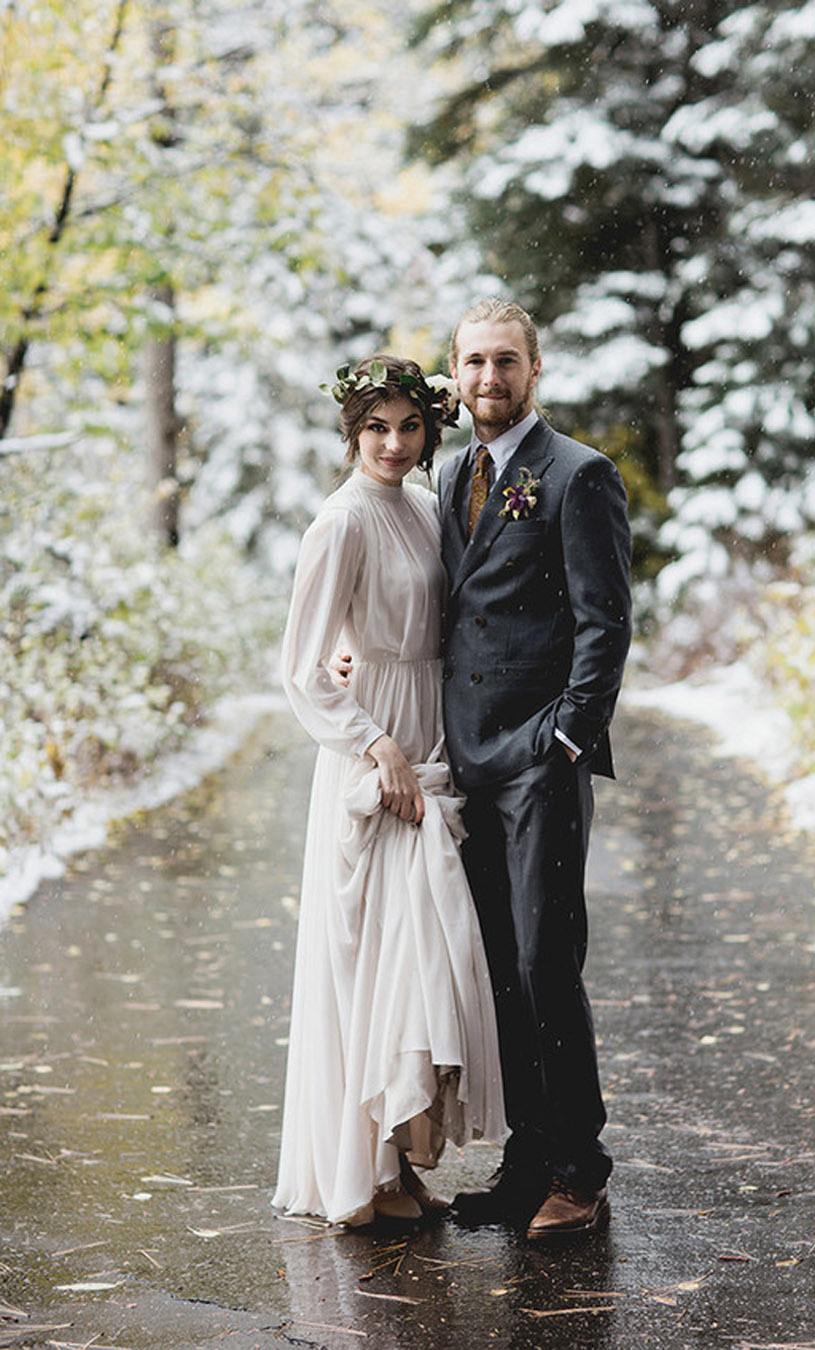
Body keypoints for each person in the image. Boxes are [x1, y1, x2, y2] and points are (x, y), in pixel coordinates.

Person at [272, 355, 506, 1230]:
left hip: (433, 727)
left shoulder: (424, 505)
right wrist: (377, 747)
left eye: (410, 427)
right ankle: (360, 1169)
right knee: (370, 952)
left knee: (420, 955)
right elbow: (301, 669)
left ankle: (401, 1157)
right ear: (353, 431)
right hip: (374, 749)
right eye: (378, 428)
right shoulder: (339, 522)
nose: (395, 445)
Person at [439, 298, 633, 1240]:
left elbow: (607, 623)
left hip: (539, 762)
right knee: (499, 973)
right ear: (454, 369)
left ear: (535, 369)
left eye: (505, 361)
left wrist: (565, 738)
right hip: (469, 759)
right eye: (474, 361)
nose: (489, 378)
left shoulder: (577, 475)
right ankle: (527, 1158)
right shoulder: (450, 475)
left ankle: (580, 1170)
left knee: (545, 963)